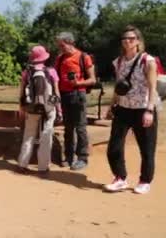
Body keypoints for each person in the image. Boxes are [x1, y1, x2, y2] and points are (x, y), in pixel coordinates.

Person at [104, 25, 159, 194]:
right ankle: (120, 178)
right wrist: (112, 105)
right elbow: (119, 86)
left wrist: (149, 110)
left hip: (142, 108)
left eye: (131, 38)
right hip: (123, 108)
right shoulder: (118, 61)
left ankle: (145, 181)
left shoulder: (147, 61)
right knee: (114, 146)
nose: (127, 41)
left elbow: (152, 87)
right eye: (124, 38)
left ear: (138, 41)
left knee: (147, 148)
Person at [17, 46, 62, 175]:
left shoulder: (27, 72)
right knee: (46, 137)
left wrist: (22, 108)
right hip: (48, 108)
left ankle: (22, 164)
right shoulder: (51, 71)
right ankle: (43, 166)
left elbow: (21, 92)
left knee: (28, 136)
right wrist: (59, 110)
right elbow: (56, 92)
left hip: (31, 109)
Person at [54, 32, 96, 171]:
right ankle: (69, 156)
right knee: (68, 128)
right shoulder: (60, 59)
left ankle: (82, 158)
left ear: (70, 42)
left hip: (78, 94)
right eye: (59, 45)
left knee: (80, 127)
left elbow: (92, 79)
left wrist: (78, 83)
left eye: (62, 45)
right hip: (64, 95)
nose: (60, 48)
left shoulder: (83, 57)